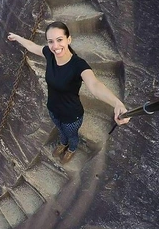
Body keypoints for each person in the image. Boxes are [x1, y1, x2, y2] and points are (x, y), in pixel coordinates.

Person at [7, 21, 130, 164]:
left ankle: (71, 148)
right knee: (60, 130)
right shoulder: (49, 54)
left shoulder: (78, 65)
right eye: (51, 41)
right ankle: (63, 143)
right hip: (53, 109)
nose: (55, 46)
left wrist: (117, 102)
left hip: (72, 116)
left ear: (68, 39)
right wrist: (17, 37)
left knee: (71, 135)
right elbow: (32, 46)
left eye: (60, 40)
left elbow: (95, 85)